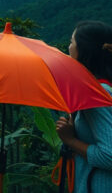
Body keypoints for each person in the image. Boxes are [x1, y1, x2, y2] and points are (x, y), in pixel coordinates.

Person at [56, 20, 112, 193]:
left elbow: (109, 156)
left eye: (72, 42)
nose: (69, 47)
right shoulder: (102, 89)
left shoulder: (98, 95)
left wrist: (70, 140)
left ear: (84, 50)